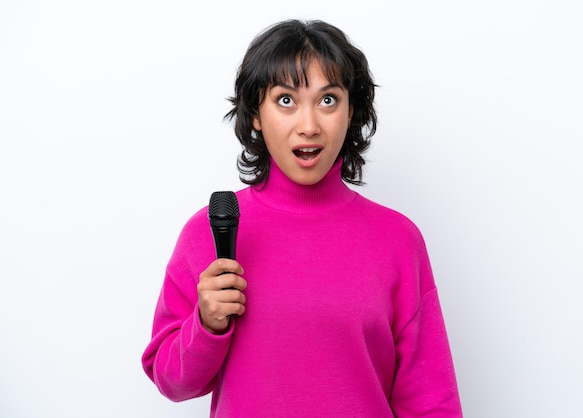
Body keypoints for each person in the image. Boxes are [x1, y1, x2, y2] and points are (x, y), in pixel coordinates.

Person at [142, 19, 463, 417]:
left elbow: (431, 400)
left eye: (328, 100)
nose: (309, 126)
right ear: (255, 114)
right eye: (286, 100)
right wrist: (206, 324)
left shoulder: (398, 239)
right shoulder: (208, 231)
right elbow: (170, 380)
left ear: (351, 113)